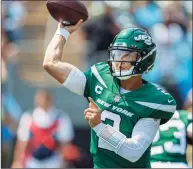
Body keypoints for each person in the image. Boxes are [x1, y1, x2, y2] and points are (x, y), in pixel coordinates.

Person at [43, 20, 177, 168]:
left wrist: (99, 126)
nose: (119, 61)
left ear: (144, 60)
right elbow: (51, 63)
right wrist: (63, 32)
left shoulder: (153, 100)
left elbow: (133, 151)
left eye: (127, 56)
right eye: (117, 53)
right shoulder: (100, 77)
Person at [11, 89, 74, 168]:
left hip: (54, 163)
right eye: (40, 98)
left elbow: (65, 144)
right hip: (32, 163)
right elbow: (22, 143)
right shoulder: (27, 117)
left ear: (51, 100)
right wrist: (18, 161)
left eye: (46, 98)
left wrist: (64, 162)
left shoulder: (62, 118)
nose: (43, 101)